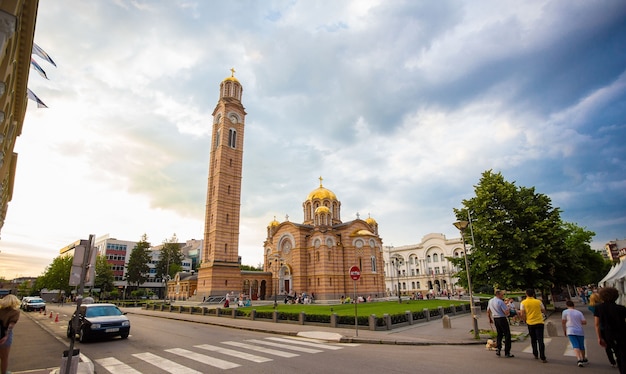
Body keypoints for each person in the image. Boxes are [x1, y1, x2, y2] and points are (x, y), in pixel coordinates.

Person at [594, 286, 626, 373]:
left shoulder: (599, 308)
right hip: (622, 333)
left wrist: (599, 337)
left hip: (608, 333)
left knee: (615, 352)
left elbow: (597, 324)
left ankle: (616, 364)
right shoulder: (622, 308)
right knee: (622, 353)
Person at [588, 292, 617, 367]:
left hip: (602, 327)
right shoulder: (602, 306)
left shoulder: (591, 307)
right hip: (611, 326)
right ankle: (618, 357)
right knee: (615, 344)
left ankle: (612, 362)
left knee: (607, 346)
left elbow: (596, 323)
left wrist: (599, 337)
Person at [519, 288, 547, 363]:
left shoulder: (523, 302)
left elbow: (522, 313)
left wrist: (524, 320)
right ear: (533, 294)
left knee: (533, 339)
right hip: (539, 322)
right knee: (540, 339)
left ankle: (535, 353)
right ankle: (543, 356)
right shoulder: (538, 301)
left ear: (526, 294)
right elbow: (543, 310)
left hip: (530, 322)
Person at [487, 290, 514, 358]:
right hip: (501, 318)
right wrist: (508, 311)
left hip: (495, 318)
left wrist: (489, 318)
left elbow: (488, 311)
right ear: (498, 295)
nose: (503, 296)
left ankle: (498, 349)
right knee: (507, 334)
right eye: (502, 295)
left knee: (499, 334)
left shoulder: (490, 301)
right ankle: (507, 352)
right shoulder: (500, 301)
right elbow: (506, 312)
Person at [562, 300, 587, 367]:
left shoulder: (565, 312)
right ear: (574, 305)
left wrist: (564, 330)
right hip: (579, 330)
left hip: (570, 330)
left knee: (575, 345)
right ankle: (584, 358)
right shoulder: (579, 312)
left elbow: (563, 322)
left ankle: (579, 359)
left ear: (567, 305)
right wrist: (578, 322)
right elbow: (584, 322)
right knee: (581, 345)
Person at [0, 294, 21, 374]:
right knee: (4, 357)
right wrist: (6, 336)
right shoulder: (15, 312)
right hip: (4, 335)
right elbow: (11, 326)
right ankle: (4, 372)